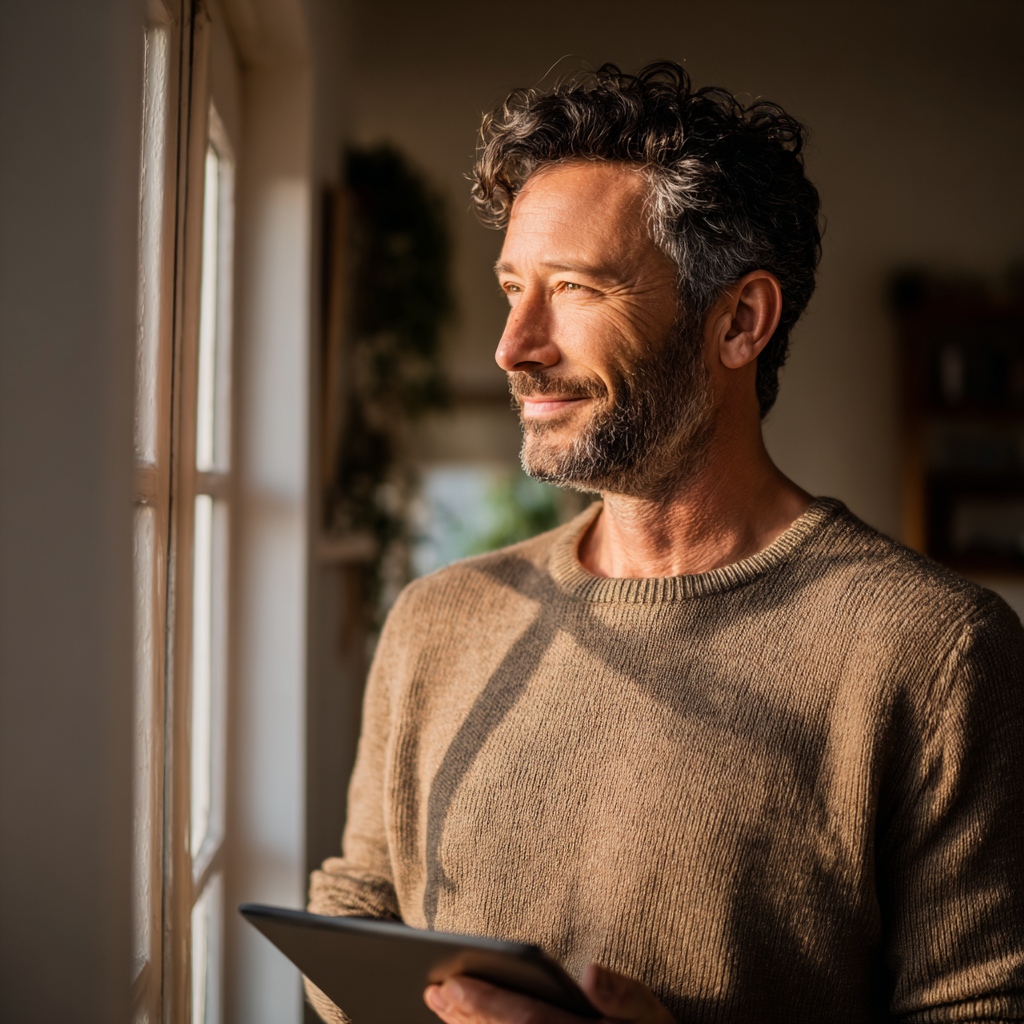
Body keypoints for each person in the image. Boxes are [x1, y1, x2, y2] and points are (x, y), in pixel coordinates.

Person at [307, 63, 1024, 1024]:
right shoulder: (442, 619)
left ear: (739, 321)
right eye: (513, 287)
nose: (513, 345)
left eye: (573, 288)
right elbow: (362, 904)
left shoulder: (936, 652)